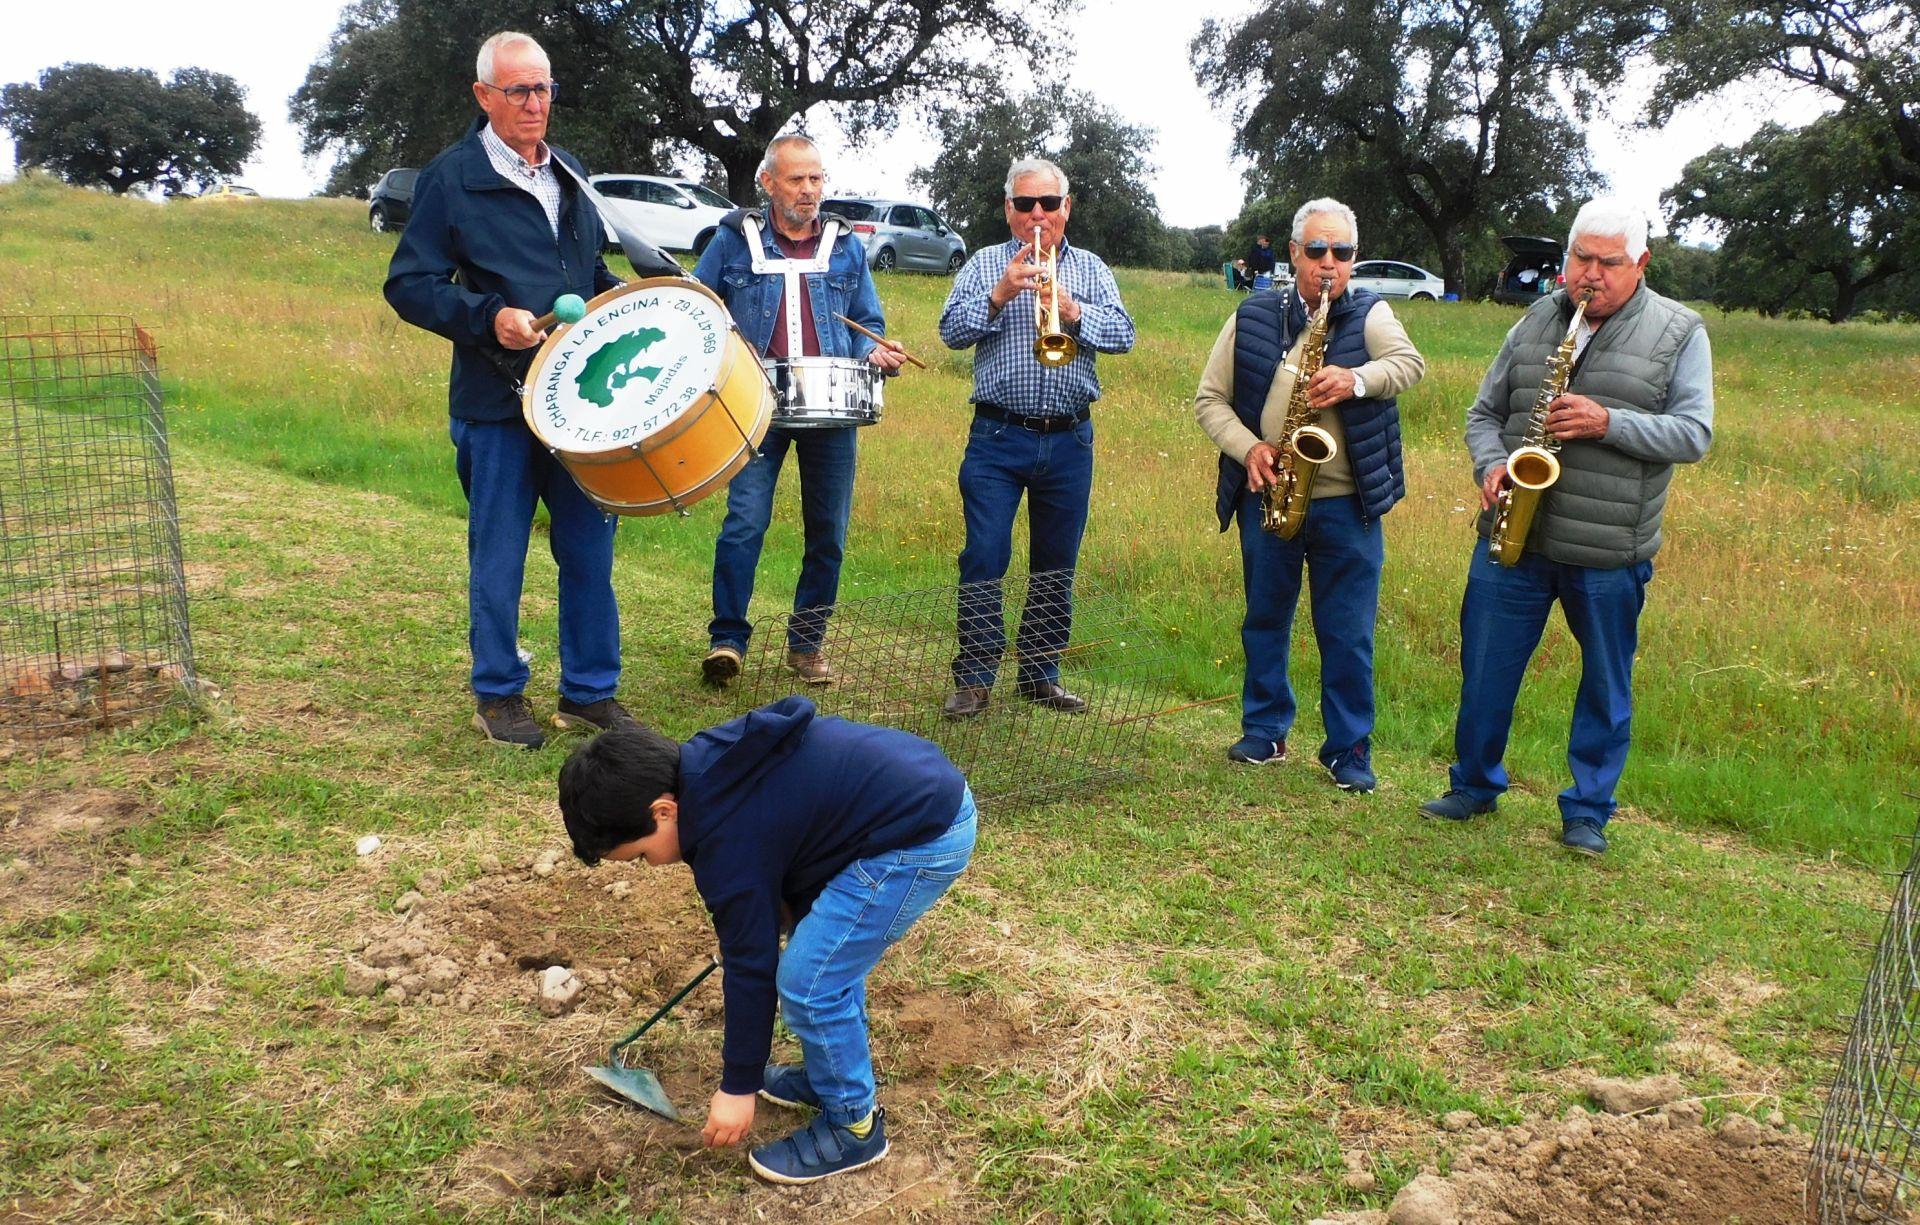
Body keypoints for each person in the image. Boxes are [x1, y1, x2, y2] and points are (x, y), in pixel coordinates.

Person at [557, 698, 975, 1184]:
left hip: (920, 836)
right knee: (818, 952)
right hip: (901, 802)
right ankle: (828, 1077)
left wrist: (739, 1086)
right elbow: (784, 833)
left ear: (663, 810)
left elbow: (752, 969)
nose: (649, 866)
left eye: (640, 855)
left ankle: (854, 1128)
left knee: (810, 983)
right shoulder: (705, 770)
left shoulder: (724, 839)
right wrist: (755, 923)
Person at [1419, 197, 1714, 856]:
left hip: (1609, 549)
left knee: (1606, 685)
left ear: (1640, 263)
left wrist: (1609, 422)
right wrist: (1492, 466)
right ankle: (1472, 784)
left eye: (1609, 262)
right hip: (1512, 539)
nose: (1591, 274)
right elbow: (1483, 413)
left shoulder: (1679, 331)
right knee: (1485, 668)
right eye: (1581, 258)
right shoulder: (1533, 319)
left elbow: (1694, 432)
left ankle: (1587, 811)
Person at [385, 31, 637, 750]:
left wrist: (631, 300)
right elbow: (408, 284)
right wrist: (488, 318)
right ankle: (498, 693)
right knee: (499, 553)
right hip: (497, 403)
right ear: (483, 96)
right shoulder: (452, 176)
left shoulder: (571, 173)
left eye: (544, 89)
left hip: (578, 400)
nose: (535, 104)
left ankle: (589, 693)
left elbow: (587, 276)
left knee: (590, 549)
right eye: (519, 90)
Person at [1194, 198, 1426, 791]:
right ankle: (1264, 729)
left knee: (1347, 631)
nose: (1330, 264)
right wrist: (1249, 449)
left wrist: (1357, 379)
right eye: (1318, 250)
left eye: (1343, 252)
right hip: (1270, 494)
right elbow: (1209, 401)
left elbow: (1409, 364)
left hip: (1348, 505)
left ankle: (1348, 750)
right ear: (1295, 252)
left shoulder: (1370, 315)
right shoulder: (1251, 316)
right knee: (1265, 618)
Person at [692, 135, 905, 690]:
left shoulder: (844, 245)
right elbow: (701, 309)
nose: (809, 191)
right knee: (744, 524)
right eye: (796, 180)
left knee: (828, 533)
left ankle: (807, 645)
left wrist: (874, 350)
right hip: (754, 406)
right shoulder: (733, 242)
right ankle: (727, 641)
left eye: (816, 179)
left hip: (831, 411)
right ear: (768, 183)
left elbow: (866, 322)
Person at [937, 157, 1135, 718]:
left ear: (1066, 208)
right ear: (1009, 210)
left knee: (1055, 562)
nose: (1038, 215)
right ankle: (974, 676)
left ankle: (1040, 674)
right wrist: (999, 295)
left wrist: (1071, 311)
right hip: (998, 435)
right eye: (1026, 205)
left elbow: (1124, 334)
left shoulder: (1092, 269)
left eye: (1049, 203)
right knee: (985, 555)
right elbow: (951, 331)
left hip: (1070, 440)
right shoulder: (983, 265)